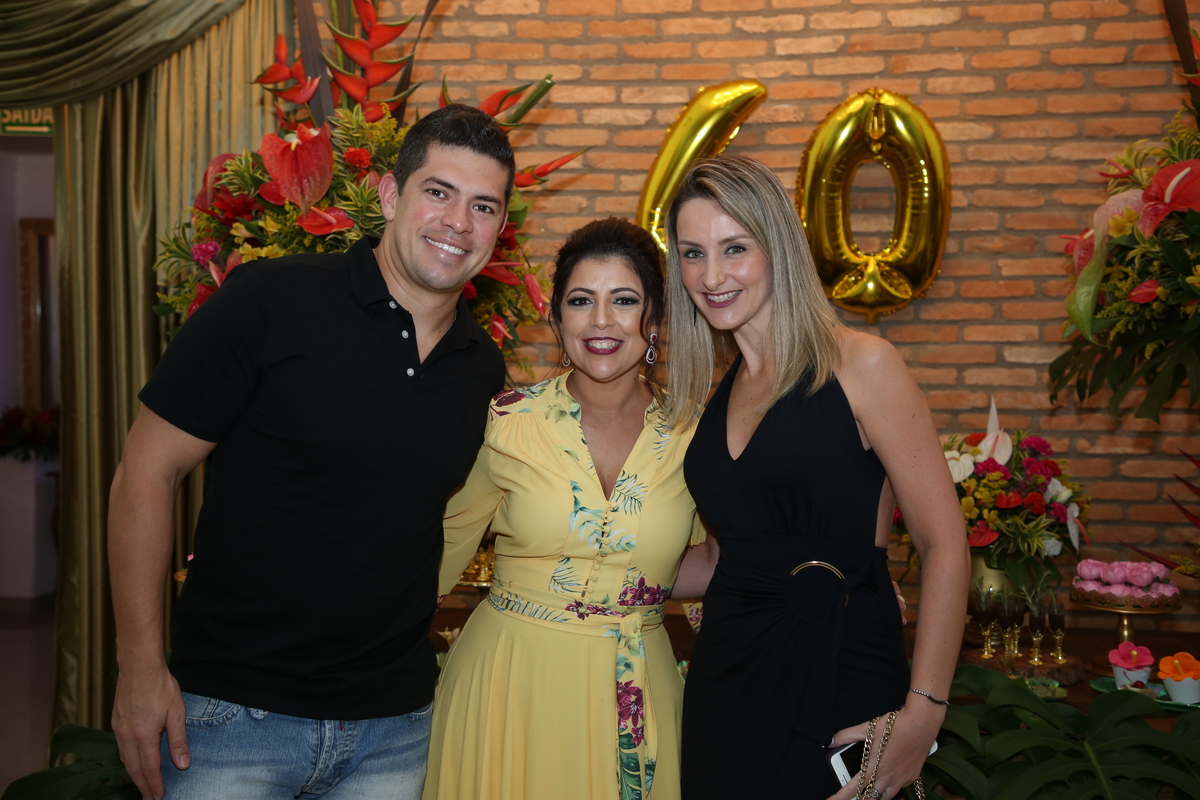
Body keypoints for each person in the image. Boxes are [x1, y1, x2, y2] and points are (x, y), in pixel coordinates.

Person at [107, 104, 515, 800]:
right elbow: (146, 470)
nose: (458, 222)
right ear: (390, 195)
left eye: (483, 206)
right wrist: (140, 668)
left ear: (499, 229)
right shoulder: (271, 300)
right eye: (438, 192)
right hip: (232, 718)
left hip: (393, 731)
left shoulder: (481, 366)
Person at [666, 156, 970, 800]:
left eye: (734, 248)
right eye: (693, 254)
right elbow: (722, 559)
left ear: (777, 247)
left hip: (840, 673)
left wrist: (923, 713)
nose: (711, 276)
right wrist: (587, 564)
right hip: (727, 680)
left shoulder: (863, 365)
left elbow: (944, 544)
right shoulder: (721, 392)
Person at [422, 218, 705, 800]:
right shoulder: (506, 423)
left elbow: (721, 564)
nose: (601, 320)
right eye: (581, 301)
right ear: (556, 319)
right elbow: (432, 554)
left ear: (654, 319)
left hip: (638, 693)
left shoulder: (696, 437)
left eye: (624, 300)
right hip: (508, 688)